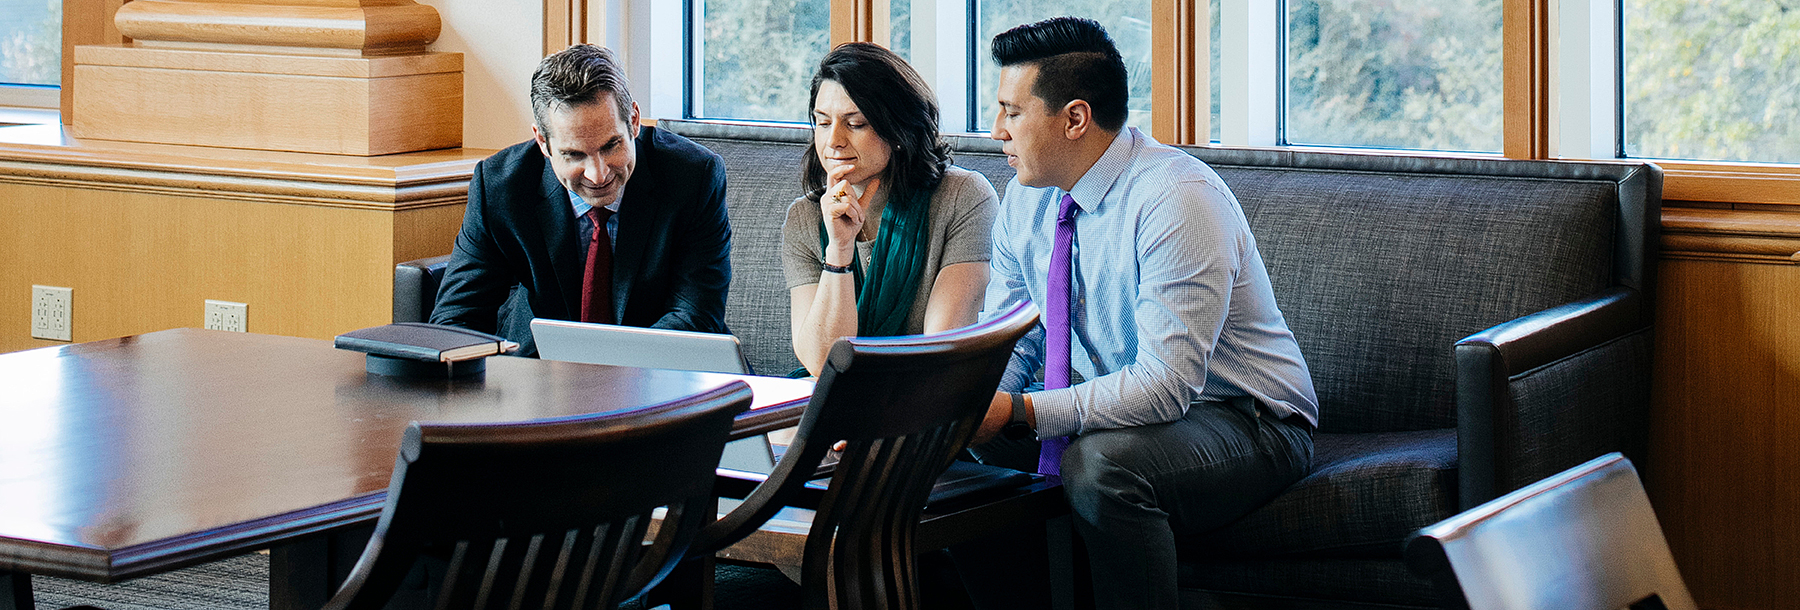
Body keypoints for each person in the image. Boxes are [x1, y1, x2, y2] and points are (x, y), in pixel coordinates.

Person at [970, 18, 1320, 610]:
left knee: (1102, 467)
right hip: (1119, 406)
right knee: (948, 450)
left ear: (1074, 118)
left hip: (1246, 418)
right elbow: (1013, 340)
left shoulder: (1176, 199)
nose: (997, 129)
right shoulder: (1025, 198)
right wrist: (957, 414)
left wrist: (1020, 410)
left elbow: (1165, 388)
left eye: (1011, 111)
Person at [431, 44, 731, 356]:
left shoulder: (693, 177)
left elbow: (695, 317)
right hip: (537, 376)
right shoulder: (501, 187)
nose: (598, 175)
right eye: (574, 154)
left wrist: (599, 373)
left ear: (634, 121)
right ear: (543, 143)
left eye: (611, 146)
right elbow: (455, 321)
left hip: (665, 373)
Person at [783, 42, 997, 374]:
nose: (833, 141)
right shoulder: (804, 219)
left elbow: (941, 349)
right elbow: (821, 362)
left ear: (897, 128)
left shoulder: (964, 198)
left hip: (924, 391)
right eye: (823, 123)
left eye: (855, 124)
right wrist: (839, 249)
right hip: (833, 393)